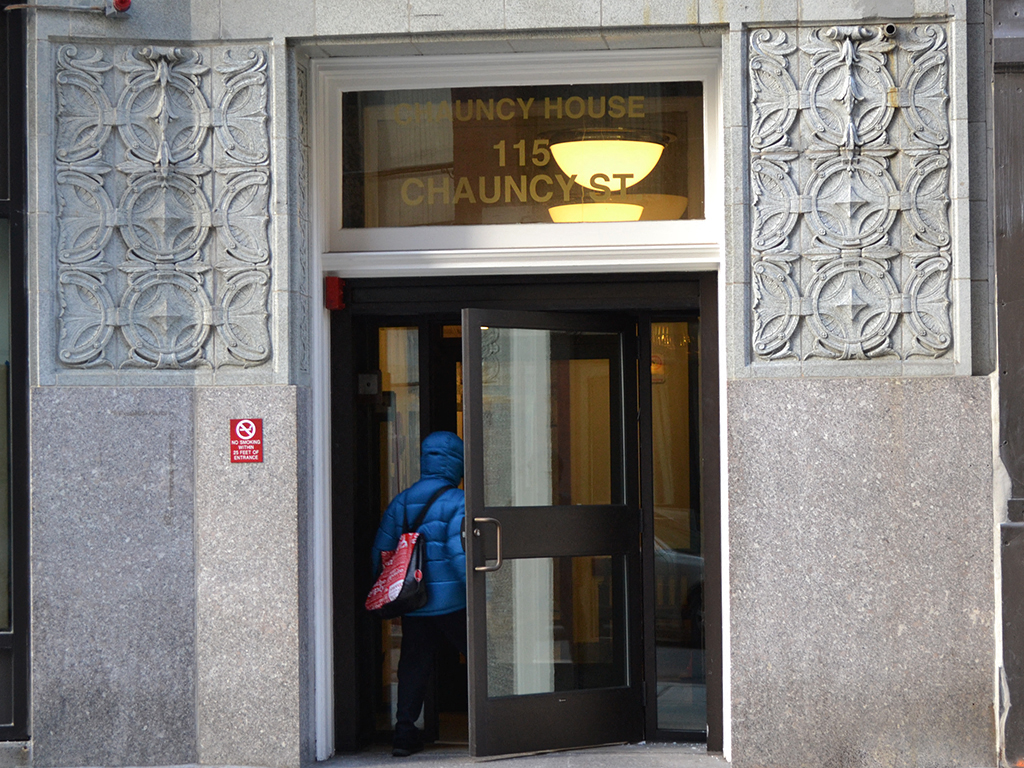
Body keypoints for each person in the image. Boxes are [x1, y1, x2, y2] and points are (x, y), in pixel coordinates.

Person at [372, 430, 468, 757]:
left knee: (414, 664)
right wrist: (480, 591)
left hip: (415, 602)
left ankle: (404, 731)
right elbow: (459, 555)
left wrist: (390, 591)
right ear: (458, 463)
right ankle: (497, 722)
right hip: (454, 602)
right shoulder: (459, 501)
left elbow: (382, 553)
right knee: (480, 658)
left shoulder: (402, 500)